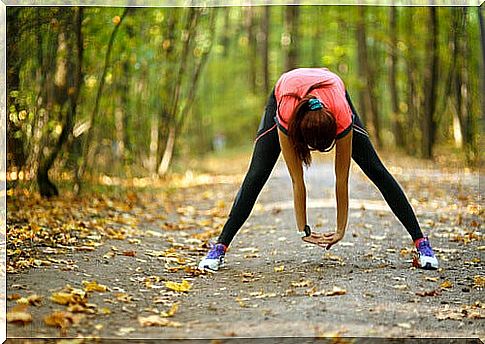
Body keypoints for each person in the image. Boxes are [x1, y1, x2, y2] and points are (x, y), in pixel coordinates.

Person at [198, 67, 439, 272]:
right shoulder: (286, 114)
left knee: (375, 169)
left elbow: (341, 179)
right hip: (287, 89)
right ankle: (218, 248)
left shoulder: (342, 116)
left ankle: (422, 244)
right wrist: (303, 229)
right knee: (257, 175)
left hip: (332, 88)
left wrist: (340, 230)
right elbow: (297, 180)